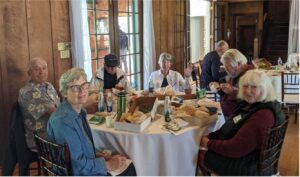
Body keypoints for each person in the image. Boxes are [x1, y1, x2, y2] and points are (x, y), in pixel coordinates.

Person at [47, 68, 136, 176]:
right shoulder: (64, 121)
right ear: (64, 93)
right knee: (129, 169)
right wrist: (108, 165)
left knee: (125, 162)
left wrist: (106, 158)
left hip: (81, 168)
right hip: (76, 173)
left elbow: (85, 150)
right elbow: (78, 166)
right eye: (75, 88)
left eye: (84, 85)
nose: (82, 91)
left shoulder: (79, 112)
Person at [199, 69, 285, 176]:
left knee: (201, 153)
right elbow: (232, 126)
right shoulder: (259, 104)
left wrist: (208, 143)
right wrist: (211, 137)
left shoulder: (262, 115)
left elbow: (235, 148)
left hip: (249, 165)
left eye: (254, 87)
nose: (248, 91)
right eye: (245, 86)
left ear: (264, 89)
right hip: (254, 157)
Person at [18, 57, 60, 151]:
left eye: (44, 68)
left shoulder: (48, 86)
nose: (41, 72)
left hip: (54, 130)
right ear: (29, 73)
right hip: (41, 138)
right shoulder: (28, 92)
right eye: (37, 69)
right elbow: (56, 113)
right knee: (76, 137)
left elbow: (59, 108)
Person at [215, 49, 255, 118]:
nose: (226, 70)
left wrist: (232, 91)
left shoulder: (250, 75)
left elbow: (249, 100)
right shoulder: (235, 74)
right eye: (225, 67)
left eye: (228, 66)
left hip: (239, 116)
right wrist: (221, 89)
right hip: (227, 111)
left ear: (239, 63)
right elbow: (229, 94)